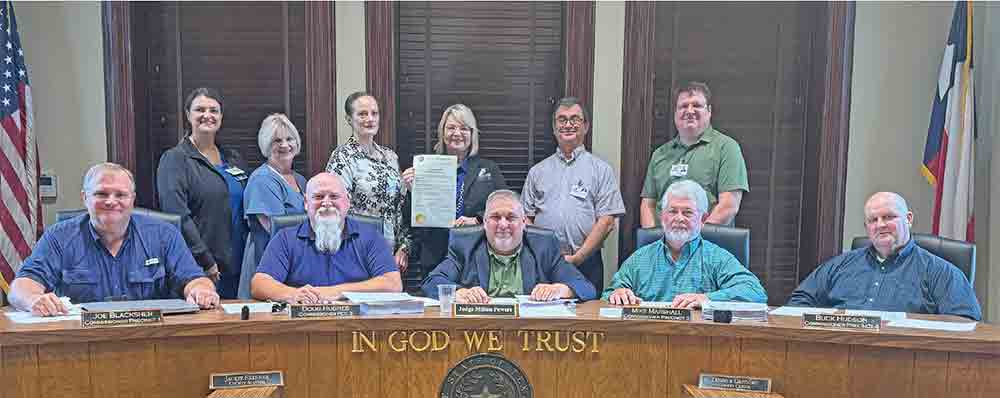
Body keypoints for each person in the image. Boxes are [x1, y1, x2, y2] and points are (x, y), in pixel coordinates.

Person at [9, 163, 218, 316]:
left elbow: (194, 278)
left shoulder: (164, 235)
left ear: (132, 199)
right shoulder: (59, 237)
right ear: (85, 198)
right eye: (101, 194)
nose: (111, 201)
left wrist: (201, 290)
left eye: (120, 195)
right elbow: (21, 286)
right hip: (79, 343)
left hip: (151, 339)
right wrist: (34, 299)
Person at [787, 192, 982, 320]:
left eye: (889, 217)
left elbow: (965, 322)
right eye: (873, 220)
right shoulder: (841, 265)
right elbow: (798, 303)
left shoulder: (940, 272)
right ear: (866, 227)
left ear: (908, 219)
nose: (880, 225)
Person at [604, 180, 766, 308]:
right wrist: (618, 293)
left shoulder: (717, 257)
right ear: (662, 217)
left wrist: (706, 298)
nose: (679, 218)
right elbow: (608, 295)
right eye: (672, 211)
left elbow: (755, 292)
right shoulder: (640, 258)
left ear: (703, 219)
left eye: (688, 212)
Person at [521, 97, 625, 291]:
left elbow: (607, 221)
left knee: (586, 318)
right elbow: (526, 218)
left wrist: (579, 257)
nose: (568, 125)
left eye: (575, 119)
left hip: (587, 263)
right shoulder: (537, 172)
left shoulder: (601, 170)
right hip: (544, 263)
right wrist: (541, 252)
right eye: (562, 120)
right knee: (541, 315)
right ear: (554, 128)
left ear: (585, 126)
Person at [422, 190, 597, 303]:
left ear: (523, 223)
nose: (503, 225)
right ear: (484, 223)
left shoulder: (543, 246)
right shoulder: (465, 245)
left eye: (511, 217)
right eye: (495, 217)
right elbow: (432, 282)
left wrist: (559, 289)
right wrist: (459, 293)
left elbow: (585, 287)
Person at [251, 172, 402, 303]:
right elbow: (260, 283)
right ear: (306, 203)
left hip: (356, 325)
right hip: (301, 324)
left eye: (334, 196)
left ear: (347, 202)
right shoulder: (285, 238)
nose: (327, 202)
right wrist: (293, 294)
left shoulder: (370, 237)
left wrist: (336, 292)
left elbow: (393, 284)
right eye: (318, 196)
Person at [157, 87, 248, 299]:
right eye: (200, 109)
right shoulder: (175, 160)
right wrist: (204, 260)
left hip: (240, 261)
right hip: (203, 269)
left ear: (221, 117)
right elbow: (177, 215)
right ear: (188, 115)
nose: (207, 115)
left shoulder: (233, 158)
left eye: (214, 110)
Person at [400, 104, 509, 271]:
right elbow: (411, 220)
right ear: (442, 133)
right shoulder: (426, 168)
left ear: (472, 134)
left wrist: (478, 220)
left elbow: (506, 207)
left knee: (474, 298)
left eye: (464, 128)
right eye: (451, 127)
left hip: (477, 255)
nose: (457, 133)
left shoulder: (488, 169)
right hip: (435, 256)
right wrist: (410, 191)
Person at [640, 81, 748, 227]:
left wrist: (694, 239)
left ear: (709, 111)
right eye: (683, 106)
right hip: (664, 245)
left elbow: (729, 205)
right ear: (675, 113)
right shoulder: (659, 154)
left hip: (707, 245)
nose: (689, 111)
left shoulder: (727, 148)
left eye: (696, 105)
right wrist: (652, 242)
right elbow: (648, 205)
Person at [326, 91, 410, 273]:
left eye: (374, 113)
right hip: (356, 252)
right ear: (349, 119)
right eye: (362, 114)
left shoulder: (390, 157)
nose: (370, 119)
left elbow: (400, 208)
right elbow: (336, 210)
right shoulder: (342, 157)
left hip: (391, 256)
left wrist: (404, 247)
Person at [242, 114, 307, 281]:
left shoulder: (300, 179)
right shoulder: (262, 180)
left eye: (289, 139)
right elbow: (277, 230)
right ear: (266, 145)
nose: (285, 145)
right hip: (269, 266)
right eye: (277, 141)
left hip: (297, 262)